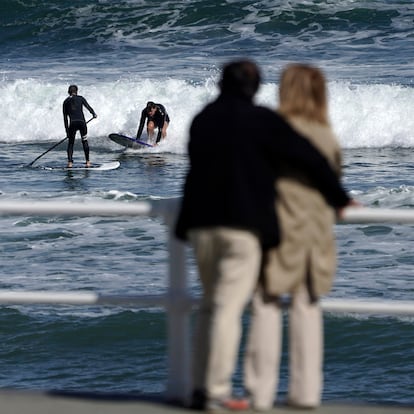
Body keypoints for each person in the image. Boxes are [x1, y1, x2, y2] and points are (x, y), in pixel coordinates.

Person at [175, 59, 353, 412]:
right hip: (241, 227)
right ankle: (215, 392)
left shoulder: (202, 119)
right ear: (254, 88)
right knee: (227, 308)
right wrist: (340, 197)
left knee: (211, 306)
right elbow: (310, 158)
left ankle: (200, 386)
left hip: (199, 224)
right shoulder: (261, 120)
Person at [244, 63, 350, 411]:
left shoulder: (272, 130)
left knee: (267, 306)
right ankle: (306, 394)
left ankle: (260, 393)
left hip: (277, 228)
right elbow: (333, 179)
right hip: (315, 233)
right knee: (307, 308)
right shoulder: (325, 134)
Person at [63, 85, 97, 168]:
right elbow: (88, 107)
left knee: (71, 143)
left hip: (73, 124)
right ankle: (88, 162)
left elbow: (65, 118)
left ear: (68, 92)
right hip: (82, 123)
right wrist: (93, 114)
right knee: (84, 141)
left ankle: (70, 163)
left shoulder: (66, 101)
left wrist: (67, 131)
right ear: (76, 91)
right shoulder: (81, 98)